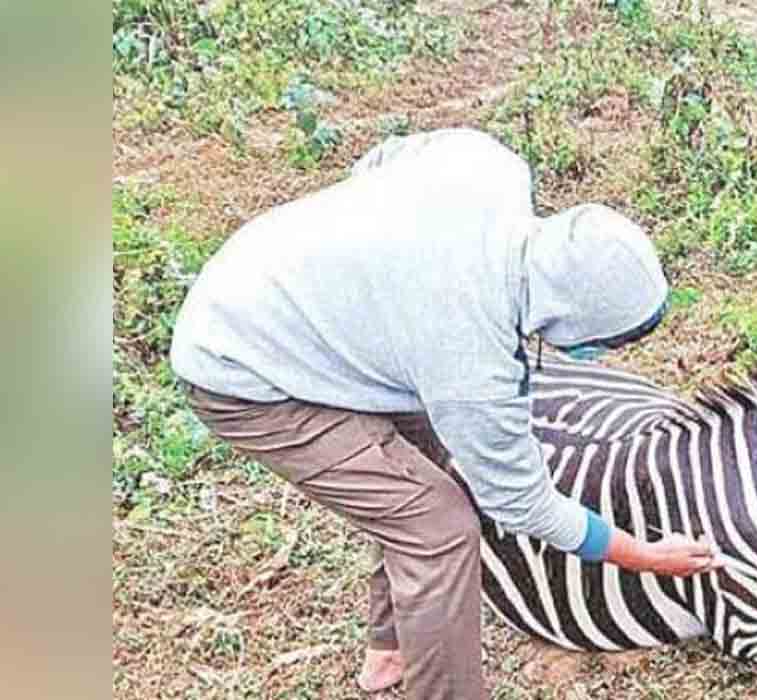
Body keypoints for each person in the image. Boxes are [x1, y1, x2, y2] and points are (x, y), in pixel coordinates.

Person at [169, 128, 720, 699]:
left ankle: (390, 652)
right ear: (570, 320)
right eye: (604, 343)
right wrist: (646, 555)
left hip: (261, 271)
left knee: (422, 459)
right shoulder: (469, 360)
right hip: (242, 372)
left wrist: (371, 279)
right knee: (438, 528)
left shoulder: (491, 168)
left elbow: (382, 158)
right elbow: (523, 503)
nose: (598, 356)